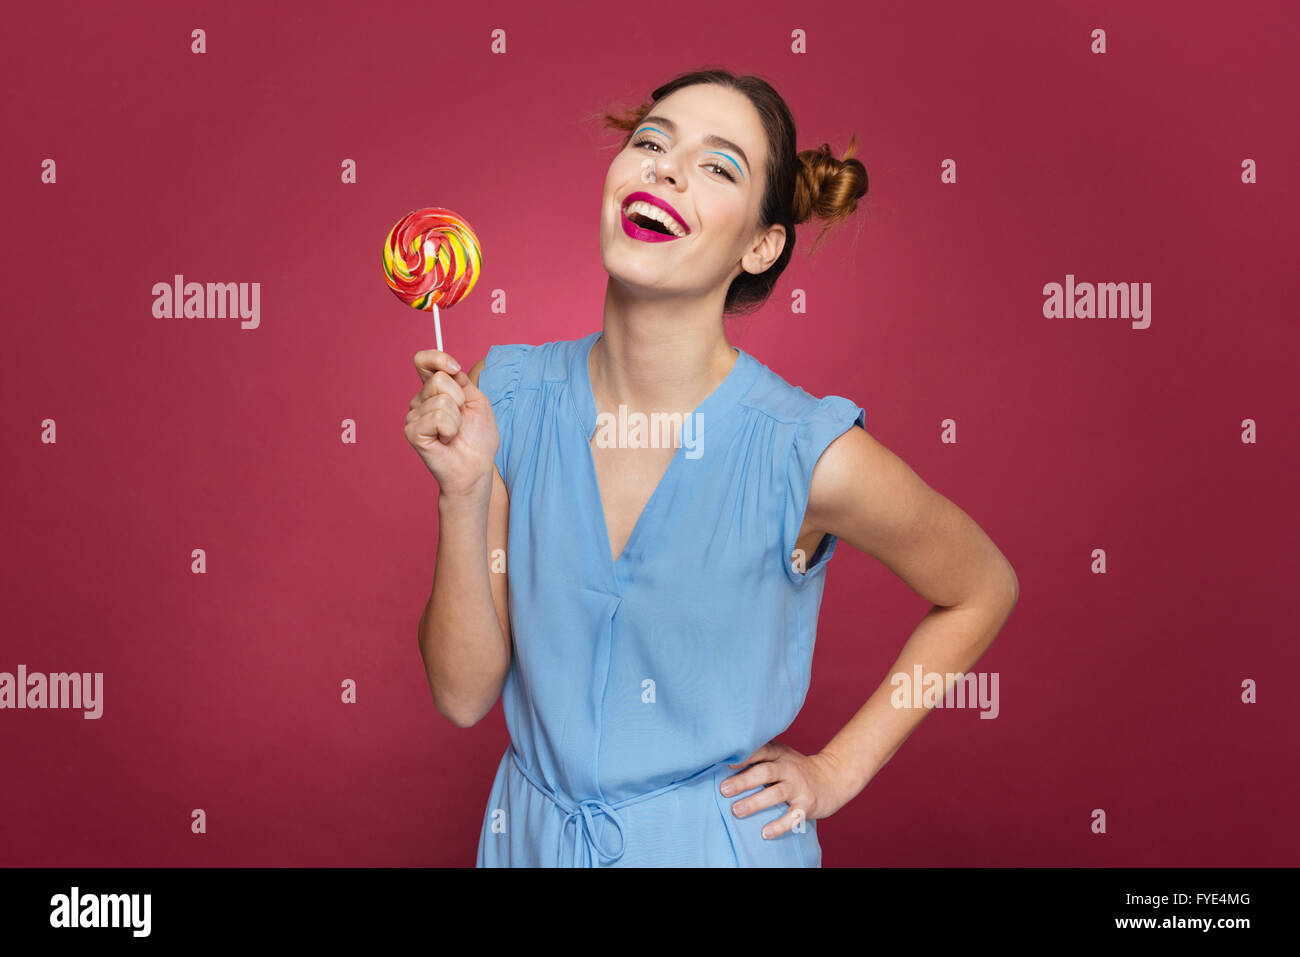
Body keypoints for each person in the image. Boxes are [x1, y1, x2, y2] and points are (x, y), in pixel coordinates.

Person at [406, 69, 1019, 866]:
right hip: (526, 840)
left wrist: (837, 770)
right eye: (651, 142)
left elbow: (983, 585)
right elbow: (461, 696)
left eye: (718, 165)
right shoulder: (508, 395)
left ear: (761, 245)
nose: (664, 167)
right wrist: (462, 491)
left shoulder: (804, 451)